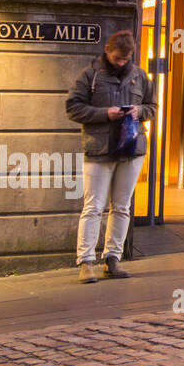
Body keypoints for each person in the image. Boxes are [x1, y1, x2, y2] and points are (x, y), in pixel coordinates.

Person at [66, 30, 157, 283]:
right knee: (93, 207)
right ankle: (85, 262)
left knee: (122, 207)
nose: (122, 63)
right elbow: (73, 108)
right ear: (108, 51)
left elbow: (153, 107)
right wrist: (106, 113)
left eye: (126, 58)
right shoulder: (90, 75)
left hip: (131, 149)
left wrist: (140, 110)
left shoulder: (140, 77)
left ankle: (113, 259)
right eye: (118, 58)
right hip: (99, 150)